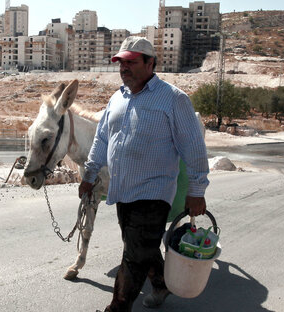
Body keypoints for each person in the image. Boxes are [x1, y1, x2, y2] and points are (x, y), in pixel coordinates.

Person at [79, 36, 210, 312]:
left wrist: (196, 190)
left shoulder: (173, 99)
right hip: (122, 192)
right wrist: (89, 174)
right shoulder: (116, 98)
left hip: (154, 194)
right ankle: (161, 283)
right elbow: (102, 139)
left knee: (134, 254)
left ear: (151, 63)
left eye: (131, 62)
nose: (124, 67)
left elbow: (194, 148)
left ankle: (117, 306)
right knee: (140, 247)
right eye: (121, 62)